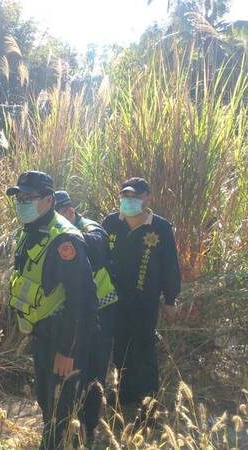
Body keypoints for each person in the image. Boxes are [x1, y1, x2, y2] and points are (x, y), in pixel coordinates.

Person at [6, 171, 99, 450]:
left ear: (48, 200)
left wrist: (67, 350)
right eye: (19, 197)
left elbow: (82, 300)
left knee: (60, 413)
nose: (21, 202)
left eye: (28, 197)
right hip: (42, 335)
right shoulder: (31, 231)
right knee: (47, 403)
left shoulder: (64, 241)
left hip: (63, 339)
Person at [102, 177, 181, 422]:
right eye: (125, 196)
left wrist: (170, 300)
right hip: (114, 301)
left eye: (135, 196)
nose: (128, 200)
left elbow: (170, 266)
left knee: (144, 352)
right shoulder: (111, 223)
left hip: (145, 303)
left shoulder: (160, 227)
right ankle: (124, 399)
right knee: (121, 350)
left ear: (147, 198)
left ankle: (148, 407)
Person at [54, 190, 118, 443]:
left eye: (59, 216)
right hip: (74, 310)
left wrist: (67, 237)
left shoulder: (90, 228)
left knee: (94, 369)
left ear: (70, 211)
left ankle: (88, 426)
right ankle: (66, 421)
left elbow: (97, 247)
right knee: (71, 365)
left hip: (102, 309)